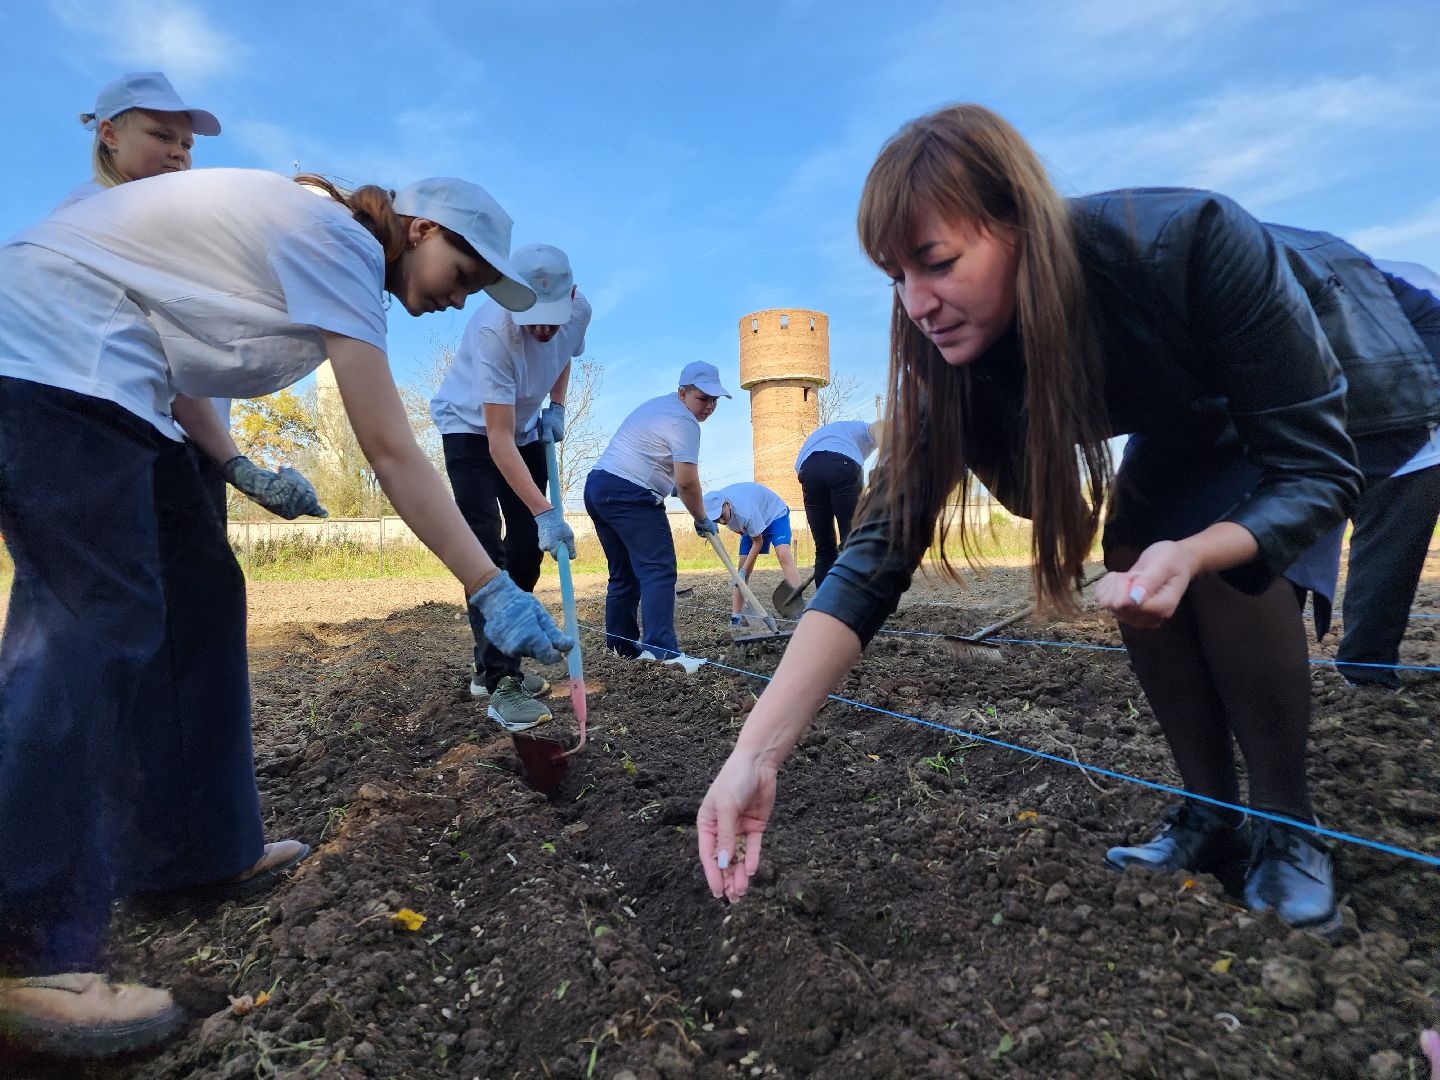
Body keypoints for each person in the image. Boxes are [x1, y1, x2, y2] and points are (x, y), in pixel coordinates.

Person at [696, 104, 1440, 939]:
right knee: (1132, 551)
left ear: (1017, 222)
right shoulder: (952, 359)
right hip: (1186, 401)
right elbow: (874, 557)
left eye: (935, 263)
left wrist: (1197, 550)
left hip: (1333, 361)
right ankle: (1210, 816)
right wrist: (752, 756)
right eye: (895, 277)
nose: (916, 304)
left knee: (1227, 564)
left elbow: (1314, 467)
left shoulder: (1188, 241)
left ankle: (1289, 831)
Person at [0, 168, 571, 1058]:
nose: (461, 301)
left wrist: (230, 464)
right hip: (49, 355)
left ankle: (194, 851)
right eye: (463, 274)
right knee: (91, 616)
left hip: (123, 372)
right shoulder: (341, 240)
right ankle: (24, 950)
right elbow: (389, 448)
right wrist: (488, 583)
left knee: (200, 594)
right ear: (420, 230)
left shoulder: (322, 249)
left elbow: (167, 325)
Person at [62, 71, 291, 525]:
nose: (178, 153)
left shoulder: (171, 224)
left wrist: (230, 461)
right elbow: (162, 353)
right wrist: (234, 462)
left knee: (209, 588)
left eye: (187, 145)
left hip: (188, 438)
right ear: (109, 134)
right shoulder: (93, 214)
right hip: (115, 433)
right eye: (161, 135)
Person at [430, 243, 592, 730]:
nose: (543, 330)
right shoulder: (492, 330)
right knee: (485, 550)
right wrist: (547, 512)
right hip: (470, 431)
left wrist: (557, 406)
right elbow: (495, 440)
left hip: (521, 431)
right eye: (532, 318)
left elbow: (563, 353)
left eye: (552, 319)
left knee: (525, 549)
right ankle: (502, 681)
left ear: (572, 297)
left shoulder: (577, 312)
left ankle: (494, 659)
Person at [1332, 263, 1440, 689]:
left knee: (1384, 561)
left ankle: (1366, 671)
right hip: (1327, 437)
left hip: (1414, 443)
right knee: (1288, 553)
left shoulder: (1411, 284)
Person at [585, 362, 729, 672]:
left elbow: (662, 468)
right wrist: (701, 517)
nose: (709, 406)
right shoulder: (684, 421)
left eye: (714, 400)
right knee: (658, 569)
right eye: (702, 398)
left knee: (624, 573)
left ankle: (621, 648)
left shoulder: (658, 407)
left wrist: (676, 489)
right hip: (629, 494)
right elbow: (689, 482)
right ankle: (662, 652)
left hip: (599, 486)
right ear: (683, 393)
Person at [794, 419, 882, 587]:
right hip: (841, 464)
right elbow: (881, 425)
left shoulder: (834, 433)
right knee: (852, 541)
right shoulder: (862, 429)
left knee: (825, 549)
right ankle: (852, 602)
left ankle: (824, 608)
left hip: (808, 471)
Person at [702, 481, 804, 624]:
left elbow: (758, 541)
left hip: (773, 514)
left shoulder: (745, 511)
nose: (721, 521)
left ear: (726, 504)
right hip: (752, 521)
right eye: (716, 519)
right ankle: (736, 616)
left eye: (721, 515)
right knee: (743, 565)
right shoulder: (717, 508)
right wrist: (743, 571)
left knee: (783, 554)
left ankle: (797, 606)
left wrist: (743, 572)